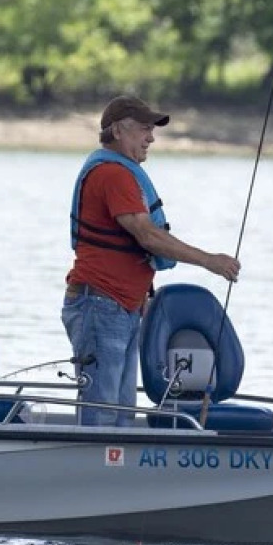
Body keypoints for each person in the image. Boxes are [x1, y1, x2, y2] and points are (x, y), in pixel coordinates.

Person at [63, 95, 242, 426]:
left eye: (152, 130)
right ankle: (93, 470)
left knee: (122, 414)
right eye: (144, 129)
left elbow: (134, 245)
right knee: (104, 414)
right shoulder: (113, 175)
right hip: (101, 305)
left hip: (121, 306)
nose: (151, 138)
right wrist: (208, 261)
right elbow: (147, 235)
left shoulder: (120, 171)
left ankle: (114, 474)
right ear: (118, 131)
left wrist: (145, 291)